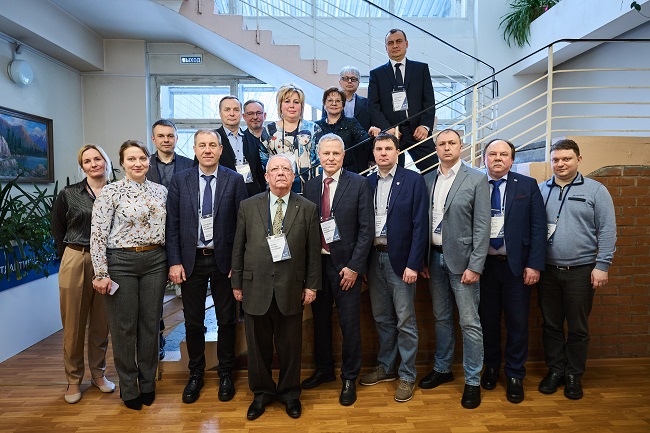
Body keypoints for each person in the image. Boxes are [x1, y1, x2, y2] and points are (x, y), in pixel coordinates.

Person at [231, 155, 321, 420]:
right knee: (257, 348)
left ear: (293, 176)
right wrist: (237, 282)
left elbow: (313, 251)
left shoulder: (307, 208)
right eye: (275, 169)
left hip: (291, 287)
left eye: (286, 169)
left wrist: (312, 285)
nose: (280, 173)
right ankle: (261, 394)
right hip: (254, 287)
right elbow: (238, 247)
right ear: (266, 176)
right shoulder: (248, 206)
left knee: (290, 347)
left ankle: (290, 394)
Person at [165, 129, 247, 404]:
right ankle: (196, 374)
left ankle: (225, 373)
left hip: (224, 261)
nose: (208, 149)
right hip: (192, 260)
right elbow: (172, 224)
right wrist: (174, 261)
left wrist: (238, 263)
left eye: (213, 145)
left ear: (221, 149)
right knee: (193, 321)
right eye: (202, 145)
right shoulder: (181, 180)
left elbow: (242, 226)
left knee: (227, 320)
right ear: (195, 149)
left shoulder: (234, 180)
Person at [91, 140, 168, 410]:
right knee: (124, 328)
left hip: (155, 261)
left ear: (149, 161)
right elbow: (97, 235)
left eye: (142, 158)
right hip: (121, 262)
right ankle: (128, 387)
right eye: (131, 159)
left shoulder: (160, 191)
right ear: (122, 163)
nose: (138, 163)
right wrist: (101, 272)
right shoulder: (110, 192)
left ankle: (147, 384)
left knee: (150, 325)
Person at [537, 139, 616, 400]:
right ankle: (555, 370)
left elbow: (607, 230)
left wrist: (602, 265)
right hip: (547, 270)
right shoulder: (541, 190)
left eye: (566, 159)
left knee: (578, 327)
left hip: (581, 270)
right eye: (556, 159)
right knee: (551, 324)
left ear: (578, 160)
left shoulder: (596, 191)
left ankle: (573, 375)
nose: (560, 164)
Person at [419, 129, 490, 409]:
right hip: (434, 259)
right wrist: (422, 259)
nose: (447, 147)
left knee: (469, 322)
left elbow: (482, 226)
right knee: (442, 318)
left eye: (452, 143)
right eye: (442, 144)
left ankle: (472, 381)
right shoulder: (427, 179)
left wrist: (476, 265)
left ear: (461, 147)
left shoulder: (476, 178)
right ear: (435, 148)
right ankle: (443, 368)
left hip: (464, 264)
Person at [302, 134, 374, 406]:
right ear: (318, 156)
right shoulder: (310, 186)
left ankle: (349, 377)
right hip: (318, 266)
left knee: (349, 324)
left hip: (346, 268)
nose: (330, 158)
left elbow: (366, 230)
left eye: (335, 153)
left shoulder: (359, 183)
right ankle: (324, 370)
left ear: (343, 156)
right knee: (320, 322)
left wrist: (355, 267)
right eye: (326, 153)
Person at [359, 133, 428, 403]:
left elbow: (420, 225)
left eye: (388, 148)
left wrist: (414, 263)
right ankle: (387, 367)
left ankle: (407, 375)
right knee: (382, 318)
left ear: (397, 152)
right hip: (374, 259)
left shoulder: (413, 180)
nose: (383, 153)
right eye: (379, 149)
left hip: (401, 262)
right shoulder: (367, 182)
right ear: (373, 153)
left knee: (405, 320)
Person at [478, 139, 546, 404]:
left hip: (517, 268)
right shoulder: (475, 184)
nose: (498, 158)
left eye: (503, 154)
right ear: (484, 158)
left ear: (512, 159)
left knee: (517, 322)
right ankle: (491, 367)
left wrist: (534, 264)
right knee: (488, 321)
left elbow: (538, 227)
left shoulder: (527, 185)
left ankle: (515, 374)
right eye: (492, 154)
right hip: (483, 267)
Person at [51, 144, 115, 404]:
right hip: (76, 256)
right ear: (82, 167)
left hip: (108, 262)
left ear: (106, 161)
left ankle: (99, 374)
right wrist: (69, 257)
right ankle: (73, 380)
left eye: (97, 158)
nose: (93, 164)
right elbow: (57, 227)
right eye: (87, 161)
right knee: (73, 325)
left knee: (101, 323)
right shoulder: (69, 194)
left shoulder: (117, 191)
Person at [146, 118, 194, 360]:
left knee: (189, 290)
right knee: (153, 296)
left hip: (183, 235)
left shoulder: (189, 164)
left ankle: (193, 331)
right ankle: (157, 340)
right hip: (151, 238)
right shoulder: (144, 164)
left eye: (170, 136)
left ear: (176, 138)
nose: (166, 140)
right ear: (153, 139)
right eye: (161, 136)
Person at [368, 29, 437, 171]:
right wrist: (387, 129)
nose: (395, 46)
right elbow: (373, 106)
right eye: (390, 43)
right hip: (392, 133)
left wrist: (425, 126)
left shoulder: (421, 69)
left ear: (406, 44)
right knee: (392, 174)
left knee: (433, 169)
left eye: (398, 41)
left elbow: (429, 100)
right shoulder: (376, 74)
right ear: (386, 47)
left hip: (418, 131)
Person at [260, 83, 321, 193]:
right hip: (277, 190)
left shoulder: (313, 129)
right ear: (280, 105)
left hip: (308, 190)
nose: (292, 106)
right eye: (287, 101)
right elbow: (263, 163)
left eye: (296, 102)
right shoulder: (268, 131)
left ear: (302, 106)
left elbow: (320, 162)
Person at [215, 96, 266, 197]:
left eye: (236, 110)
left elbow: (259, 173)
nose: (232, 113)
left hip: (250, 196)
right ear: (220, 113)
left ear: (241, 114)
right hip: (223, 195)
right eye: (227, 110)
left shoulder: (252, 140)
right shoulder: (212, 139)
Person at [315, 87, 370, 174]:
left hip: (348, 173)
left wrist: (372, 134)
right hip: (323, 172)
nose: (334, 104)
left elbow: (365, 141)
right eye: (330, 100)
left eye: (338, 101)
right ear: (324, 104)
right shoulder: (316, 126)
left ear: (343, 105)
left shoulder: (351, 122)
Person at [338, 66, 375, 171]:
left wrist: (371, 157)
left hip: (361, 153)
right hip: (338, 151)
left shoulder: (367, 103)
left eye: (353, 79)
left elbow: (371, 130)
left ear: (358, 83)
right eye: (346, 78)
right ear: (340, 82)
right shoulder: (331, 104)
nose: (349, 81)